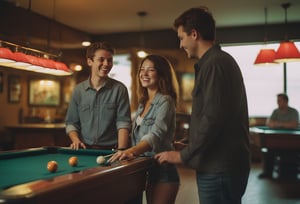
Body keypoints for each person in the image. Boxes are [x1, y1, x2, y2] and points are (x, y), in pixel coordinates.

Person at [154, 7, 250, 204]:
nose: (181, 45)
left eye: (181, 38)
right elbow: (213, 116)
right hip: (220, 167)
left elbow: (212, 119)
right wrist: (189, 144)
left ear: (194, 34)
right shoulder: (215, 62)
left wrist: (183, 155)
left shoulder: (215, 64)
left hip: (219, 169)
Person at [109, 54, 180, 204]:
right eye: (142, 69)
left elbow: (154, 136)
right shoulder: (143, 103)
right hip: (145, 169)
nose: (144, 74)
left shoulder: (165, 101)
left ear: (161, 73)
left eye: (150, 70)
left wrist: (129, 152)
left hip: (163, 171)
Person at [65, 41, 131, 150]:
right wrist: (76, 140)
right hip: (85, 149)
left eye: (109, 60)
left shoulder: (120, 89)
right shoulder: (78, 90)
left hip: (111, 150)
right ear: (89, 61)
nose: (106, 64)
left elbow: (123, 123)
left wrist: (121, 150)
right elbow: (71, 123)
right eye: (101, 59)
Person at [260, 93, 299, 178]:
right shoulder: (275, 111)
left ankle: (289, 174)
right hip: (276, 141)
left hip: (291, 141)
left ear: (286, 101)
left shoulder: (294, 111)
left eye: (279, 101)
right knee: (269, 151)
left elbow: (294, 125)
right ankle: (267, 173)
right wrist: (285, 124)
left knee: (292, 154)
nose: (277, 103)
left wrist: (277, 124)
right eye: (277, 101)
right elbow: (269, 123)